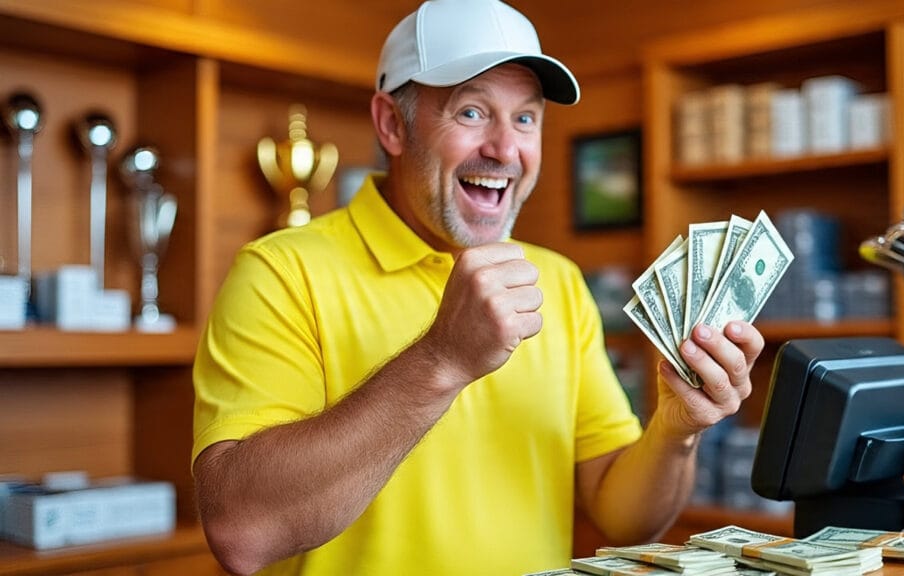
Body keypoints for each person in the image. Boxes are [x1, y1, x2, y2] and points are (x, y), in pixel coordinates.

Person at [191, 1, 763, 574]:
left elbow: (624, 517)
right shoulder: (279, 272)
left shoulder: (558, 280)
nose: (505, 149)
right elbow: (242, 533)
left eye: (525, 118)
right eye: (470, 112)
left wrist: (677, 428)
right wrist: (441, 359)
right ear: (392, 124)